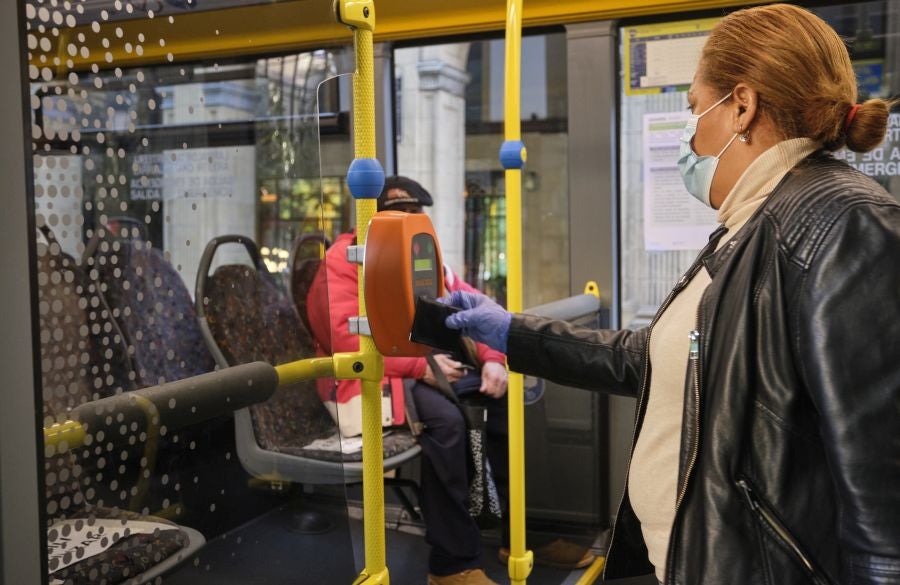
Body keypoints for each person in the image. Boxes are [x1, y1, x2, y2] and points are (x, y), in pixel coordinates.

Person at [442, 5, 900, 585]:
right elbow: (660, 359)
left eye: (692, 108)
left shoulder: (843, 224)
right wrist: (510, 331)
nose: (690, 134)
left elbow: (882, 497)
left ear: (741, 106)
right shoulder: (753, 223)